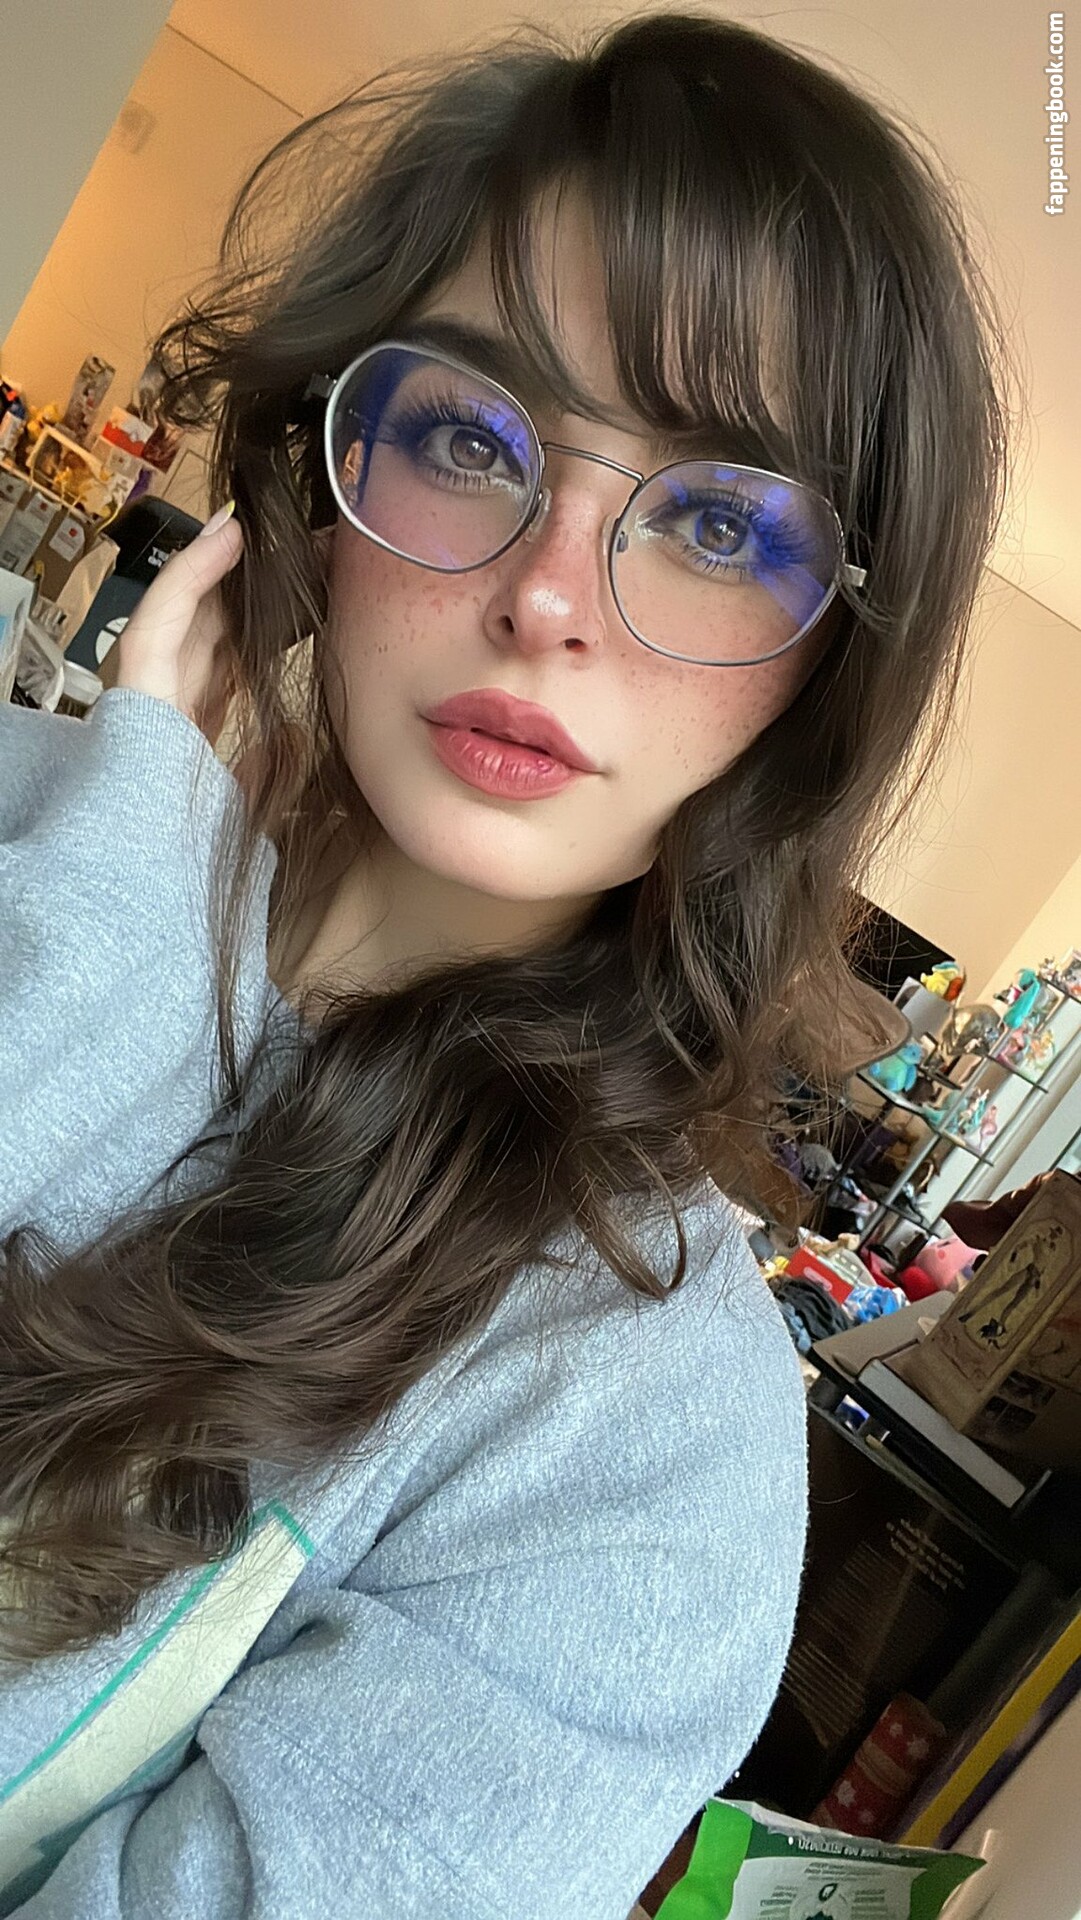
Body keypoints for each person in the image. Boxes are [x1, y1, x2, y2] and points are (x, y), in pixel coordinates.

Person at [0, 13, 1010, 1916]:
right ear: (325, 470)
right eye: (474, 438)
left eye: (716, 520)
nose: (548, 595)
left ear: (827, 671)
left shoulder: (638, 1435)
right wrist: (111, 926)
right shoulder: (29, 826)